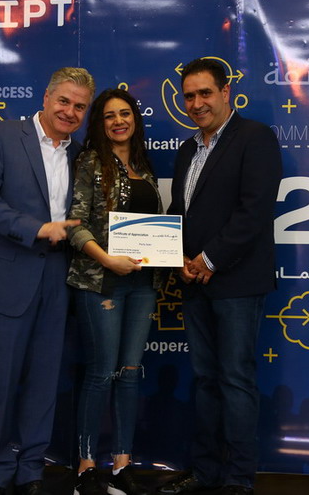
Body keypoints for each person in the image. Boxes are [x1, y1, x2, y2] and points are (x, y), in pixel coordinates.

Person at [0, 67, 95, 495]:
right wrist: (36, 228)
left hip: (59, 280)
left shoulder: (82, 155)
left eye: (80, 106)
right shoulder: (4, 135)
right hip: (7, 277)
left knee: (44, 383)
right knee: (2, 383)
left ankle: (31, 470)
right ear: (46, 98)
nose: (70, 112)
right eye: (64, 101)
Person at [158, 58, 282, 495]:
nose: (197, 103)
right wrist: (173, 254)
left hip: (236, 283)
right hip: (193, 282)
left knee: (234, 380)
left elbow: (254, 211)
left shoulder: (255, 138)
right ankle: (205, 471)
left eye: (205, 93)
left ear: (226, 92)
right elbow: (181, 213)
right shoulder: (187, 150)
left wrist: (208, 260)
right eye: (189, 96)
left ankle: (238, 479)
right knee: (206, 380)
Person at [68, 88, 165, 495]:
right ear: (100, 123)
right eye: (109, 116)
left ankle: (122, 465)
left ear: (135, 119)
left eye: (125, 113)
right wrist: (107, 260)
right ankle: (86, 467)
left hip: (143, 283)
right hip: (101, 282)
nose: (119, 121)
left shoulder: (144, 164)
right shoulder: (90, 161)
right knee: (101, 372)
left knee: (129, 373)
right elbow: (75, 224)